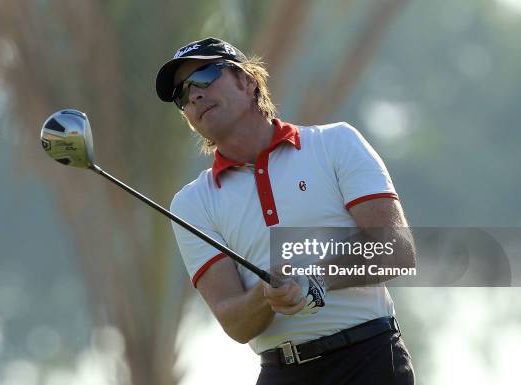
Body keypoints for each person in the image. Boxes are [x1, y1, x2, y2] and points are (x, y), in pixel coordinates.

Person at [156, 37, 415, 385]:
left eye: (204, 76)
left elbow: (396, 251)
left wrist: (314, 281)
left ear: (247, 82)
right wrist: (264, 296)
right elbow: (234, 322)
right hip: (283, 371)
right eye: (181, 94)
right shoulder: (192, 204)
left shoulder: (335, 143)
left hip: (369, 359)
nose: (194, 95)